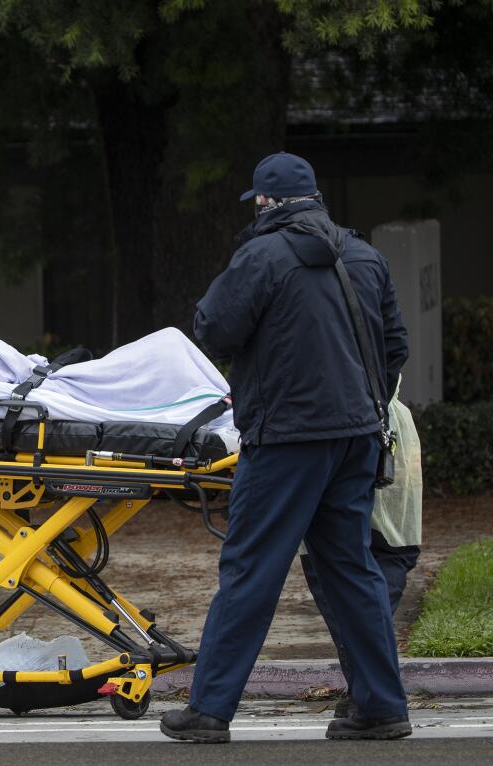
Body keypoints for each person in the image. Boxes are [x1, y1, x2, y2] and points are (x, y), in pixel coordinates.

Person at [160, 152, 411, 743]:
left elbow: (213, 328)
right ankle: (381, 707)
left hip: (287, 441)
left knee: (252, 568)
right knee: (351, 568)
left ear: (266, 202)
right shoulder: (365, 255)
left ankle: (210, 710)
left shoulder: (261, 255)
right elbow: (394, 345)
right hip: (356, 439)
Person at [302, 376, 422, 719]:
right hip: (374, 435)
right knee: (366, 583)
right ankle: (368, 693)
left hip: (338, 437)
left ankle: (368, 694)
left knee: (346, 589)